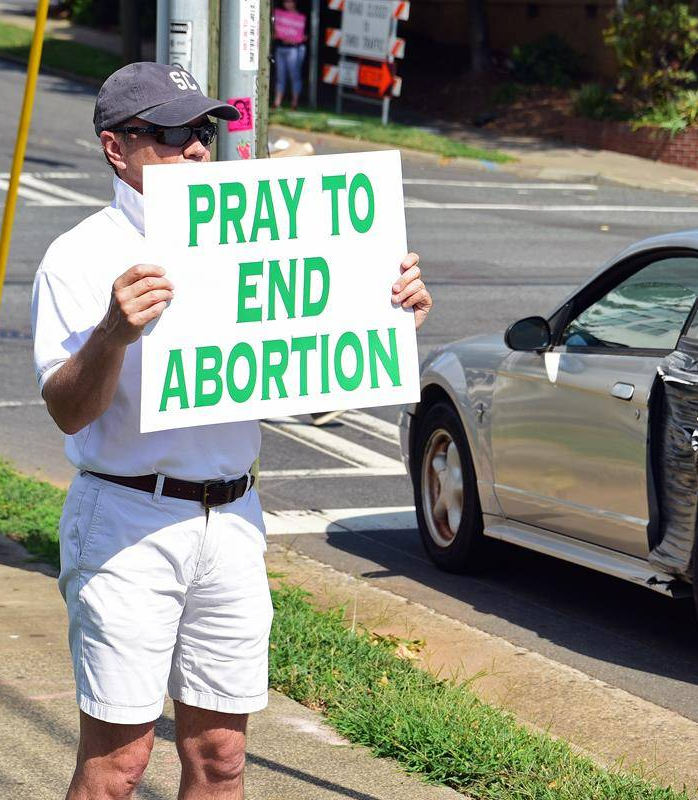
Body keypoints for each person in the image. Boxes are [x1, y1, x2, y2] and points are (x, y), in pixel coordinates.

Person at [31, 62, 431, 800]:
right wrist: (112, 335)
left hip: (234, 518)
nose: (194, 149)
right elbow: (67, 410)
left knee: (221, 759)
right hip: (127, 518)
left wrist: (386, 308)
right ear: (117, 147)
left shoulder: (248, 240)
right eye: (171, 133)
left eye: (204, 131)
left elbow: (309, 371)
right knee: (118, 766)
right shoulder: (80, 256)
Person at [273, 0, 307, 109]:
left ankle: (294, 102)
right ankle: (277, 102)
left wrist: (296, 40)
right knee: (280, 76)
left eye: (289, 2)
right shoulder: (279, 16)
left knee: (294, 76)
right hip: (281, 48)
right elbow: (274, 33)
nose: (287, 4)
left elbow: (305, 36)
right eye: (285, 2)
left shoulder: (301, 17)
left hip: (294, 50)